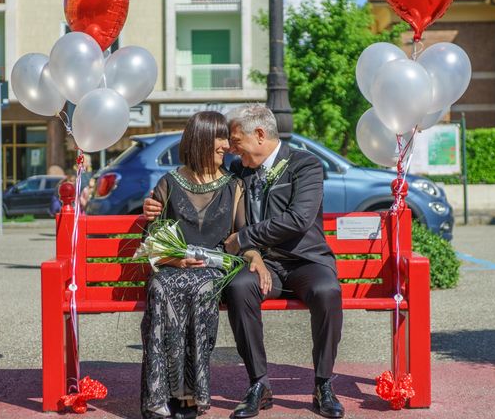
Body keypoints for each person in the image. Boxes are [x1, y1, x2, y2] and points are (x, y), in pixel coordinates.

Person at [144, 105, 345, 419]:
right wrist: (153, 202)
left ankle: (323, 384)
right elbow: (199, 180)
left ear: (260, 135)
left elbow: (299, 219)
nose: (232, 148)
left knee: (327, 292)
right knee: (239, 287)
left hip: (305, 261)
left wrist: (244, 238)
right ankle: (258, 383)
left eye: (236, 140)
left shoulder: (305, 165)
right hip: (260, 264)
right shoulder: (238, 171)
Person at [140, 111, 264, 419]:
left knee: (202, 288)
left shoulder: (233, 185)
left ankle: (190, 396)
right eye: (220, 138)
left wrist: (255, 256)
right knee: (160, 287)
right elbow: (154, 240)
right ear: (201, 141)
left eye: (226, 138)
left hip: (212, 266)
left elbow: (239, 236)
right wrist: (172, 256)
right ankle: (159, 396)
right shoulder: (169, 182)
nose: (226, 145)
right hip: (173, 265)